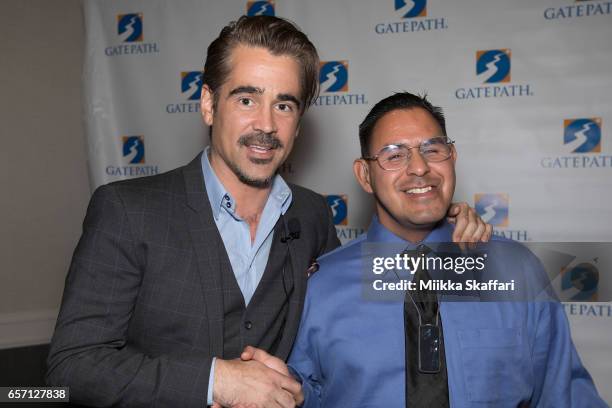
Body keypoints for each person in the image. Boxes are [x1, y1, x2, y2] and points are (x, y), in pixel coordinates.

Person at [46, 17, 491, 408]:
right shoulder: (128, 210)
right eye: (246, 99)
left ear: (298, 124)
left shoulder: (313, 215)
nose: (265, 124)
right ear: (207, 104)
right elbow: (72, 369)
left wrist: (437, 226)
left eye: (284, 104)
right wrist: (214, 381)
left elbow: (350, 317)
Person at [278, 92, 607, 407]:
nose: (420, 167)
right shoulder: (319, 287)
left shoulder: (514, 270)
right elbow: (300, 394)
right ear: (365, 175)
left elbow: (562, 393)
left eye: (433, 150)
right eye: (394, 155)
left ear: (452, 158)